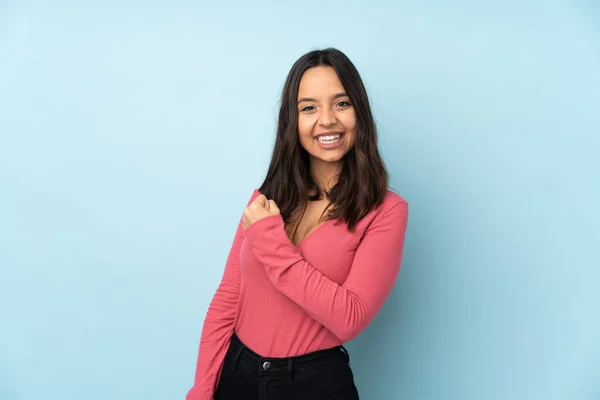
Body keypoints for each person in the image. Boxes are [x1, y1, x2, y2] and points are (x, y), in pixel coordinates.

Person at [186, 48, 409, 400]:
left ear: (359, 113)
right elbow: (229, 299)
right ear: (293, 121)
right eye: (309, 108)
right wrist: (201, 390)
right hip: (236, 373)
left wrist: (270, 241)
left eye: (341, 103)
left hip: (312, 384)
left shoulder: (386, 211)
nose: (327, 120)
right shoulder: (265, 198)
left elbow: (350, 316)